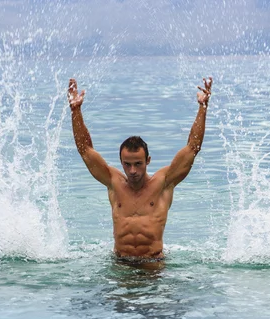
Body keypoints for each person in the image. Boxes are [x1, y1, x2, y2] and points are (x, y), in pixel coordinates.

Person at [68, 76, 212, 265]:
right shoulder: (113, 182)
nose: (133, 170)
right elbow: (85, 150)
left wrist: (202, 108)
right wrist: (75, 110)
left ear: (148, 161)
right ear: (121, 162)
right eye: (127, 164)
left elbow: (192, 148)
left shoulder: (163, 183)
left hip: (154, 264)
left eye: (138, 164)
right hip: (120, 265)